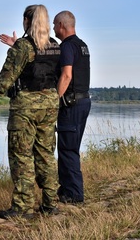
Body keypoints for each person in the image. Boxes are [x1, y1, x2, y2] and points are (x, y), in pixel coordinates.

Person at [0, 4, 61, 219]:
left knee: (22, 155)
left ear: (27, 20)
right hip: (50, 104)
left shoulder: (23, 46)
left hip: (26, 106)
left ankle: (23, 208)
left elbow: (6, 77)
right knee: (46, 154)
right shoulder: (55, 45)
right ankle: (51, 203)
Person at [53, 10, 91, 204]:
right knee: (71, 148)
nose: (53, 28)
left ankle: (74, 195)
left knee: (67, 150)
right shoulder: (82, 45)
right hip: (83, 101)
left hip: (72, 104)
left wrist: (54, 100)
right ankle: (67, 189)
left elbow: (66, 75)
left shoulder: (67, 46)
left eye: (54, 25)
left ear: (61, 25)